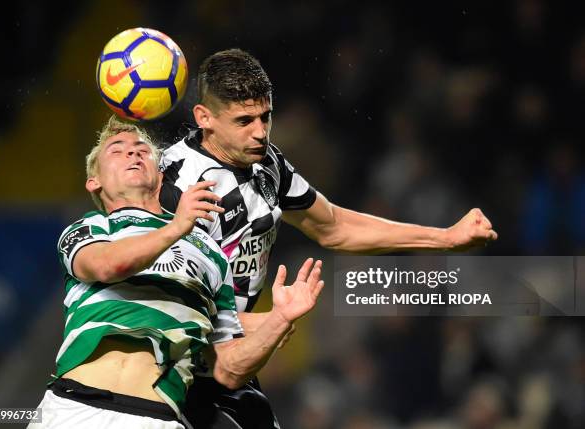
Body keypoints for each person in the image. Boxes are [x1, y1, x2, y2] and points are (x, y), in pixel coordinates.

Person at [159, 49, 498, 428]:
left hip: (233, 360)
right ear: (204, 118)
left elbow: (333, 226)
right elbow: (167, 302)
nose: (260, 131)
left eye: (265, 117)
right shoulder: (173, 184)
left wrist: (446, 238)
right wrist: (257, 323)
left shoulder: (266, 163)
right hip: (178, 370)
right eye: (244, 121)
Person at [29, 117, 325, 429]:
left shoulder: (210, 254)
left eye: (142, 150)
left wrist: (279, 319)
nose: (133, 154)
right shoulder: (91, 229)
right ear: (94, 181)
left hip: (161, 419)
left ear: (159, 175)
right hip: (74, 409)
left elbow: (229, 368)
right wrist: (176, 228)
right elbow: (106, 265)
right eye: (117, 151)